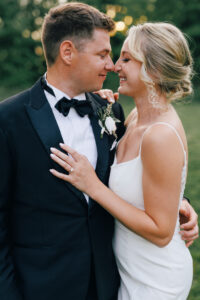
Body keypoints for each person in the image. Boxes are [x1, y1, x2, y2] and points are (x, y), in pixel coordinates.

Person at [0, 2, 197, 299]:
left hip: (110, 282)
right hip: (42, 286)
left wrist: (179, 201)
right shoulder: (9, 120)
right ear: (67, 52)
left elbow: (146, 170)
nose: (112, 65)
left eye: (119, 57)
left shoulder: (110, 110)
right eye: (103, 54)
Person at [50, 22, 198, 299]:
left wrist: (93, 186)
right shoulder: (134, 118)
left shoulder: (159, 135)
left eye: (127, 59)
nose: (116, 66)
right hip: (127, 270)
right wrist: (100, 105)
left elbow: (161, 232)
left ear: (153, 69)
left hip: (154, 279)